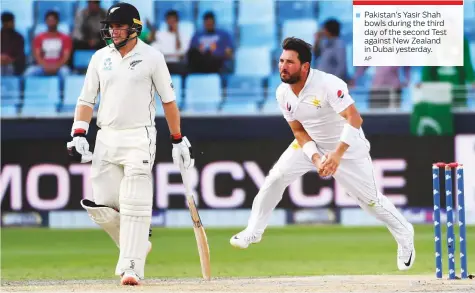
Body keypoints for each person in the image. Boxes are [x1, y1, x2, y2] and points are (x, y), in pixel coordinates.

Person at [230, 37, 416, 272]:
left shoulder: (328, 84)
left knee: (370, 202)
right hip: (312, 145)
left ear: (305, 66)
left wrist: (336, 156)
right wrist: (316, 158)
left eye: (289, 62)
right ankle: (253, 231)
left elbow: (355, 119)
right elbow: (298, 130)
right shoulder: (282, 93)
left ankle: (404, 232)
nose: (282, 67)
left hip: (347, 149)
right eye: (280, 61)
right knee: (276, 177)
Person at [66, 2, 194, 286]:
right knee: (100, 206)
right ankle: (135, 242)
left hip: (140, 136)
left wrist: (177, 139)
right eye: (110, 26)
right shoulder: (100, 58)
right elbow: (86, 100)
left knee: (134, 202)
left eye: (119, 26)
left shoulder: (152, 57)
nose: (113, 31)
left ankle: (132, 267)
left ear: (134, 28)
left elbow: (169, 101)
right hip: (106, 136)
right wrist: (79, 133)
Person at [24, 10, 72, 77]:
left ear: (57, 21)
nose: (51, 23)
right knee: (29, 72)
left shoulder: (65, 38)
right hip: (42, 67)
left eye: (53, 20)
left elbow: (66, 56)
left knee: (66, 72)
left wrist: (56, 66)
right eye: (49, 20)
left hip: (59, 67)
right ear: (46, 22)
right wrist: (45, 66)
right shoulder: (39, 38)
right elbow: (37, 56)